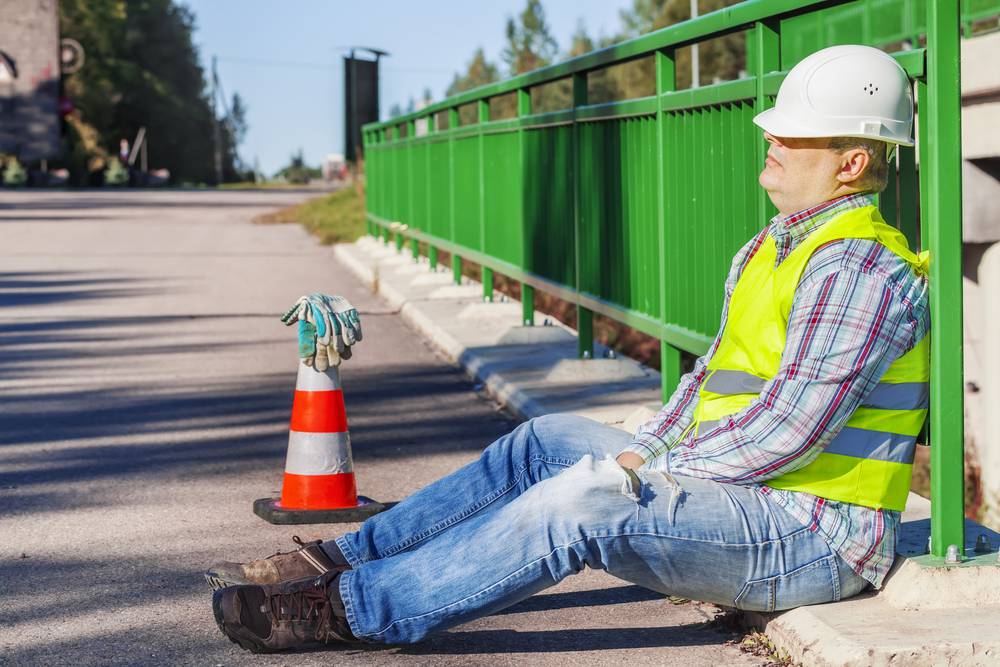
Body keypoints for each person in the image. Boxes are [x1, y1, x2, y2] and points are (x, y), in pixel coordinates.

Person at [208, 45, 929, 653]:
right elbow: (712, 378)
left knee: (580, 502)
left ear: (852, 161)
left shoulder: (859, 268)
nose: (767, 138)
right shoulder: (776, 247)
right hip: (752, 498)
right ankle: (342, 556)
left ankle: (352, 609)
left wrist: (639, 468)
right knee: (545, 442)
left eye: (795, 133)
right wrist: (646, 448)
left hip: (812, 531)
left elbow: (788, 431)